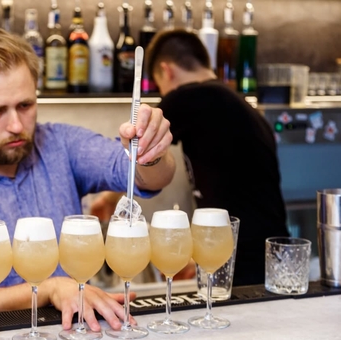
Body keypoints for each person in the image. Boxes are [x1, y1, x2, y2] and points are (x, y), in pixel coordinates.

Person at [0, 28, 176, 332]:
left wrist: (151, 152)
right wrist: (50, 288)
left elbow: (147, 178)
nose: (16, 125)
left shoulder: (61, 144)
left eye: (25, 105)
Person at [93, 29, 289, 286]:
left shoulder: (192, 96)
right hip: (273, 250)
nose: (166, 96)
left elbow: (142, 140)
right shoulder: (239, 105)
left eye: (161, 85)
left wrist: (108, 198)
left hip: (243, 256)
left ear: (168, 70)